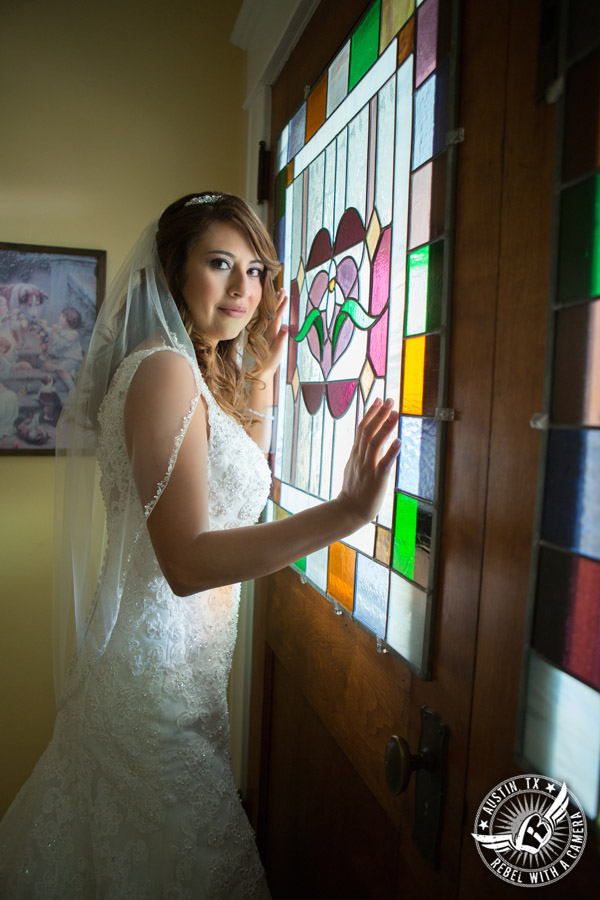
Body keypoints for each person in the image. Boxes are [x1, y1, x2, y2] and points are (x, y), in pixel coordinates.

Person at [0, 192, 400, 899]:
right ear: (173, 270)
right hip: (148, 694)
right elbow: (185, 561)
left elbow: (233, 497)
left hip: (180, 684)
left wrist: (266, 378)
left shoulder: (190, 368)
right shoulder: (162, 371)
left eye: (255, 270)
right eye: (220, 264)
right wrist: (344, 513)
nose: (245, 287)